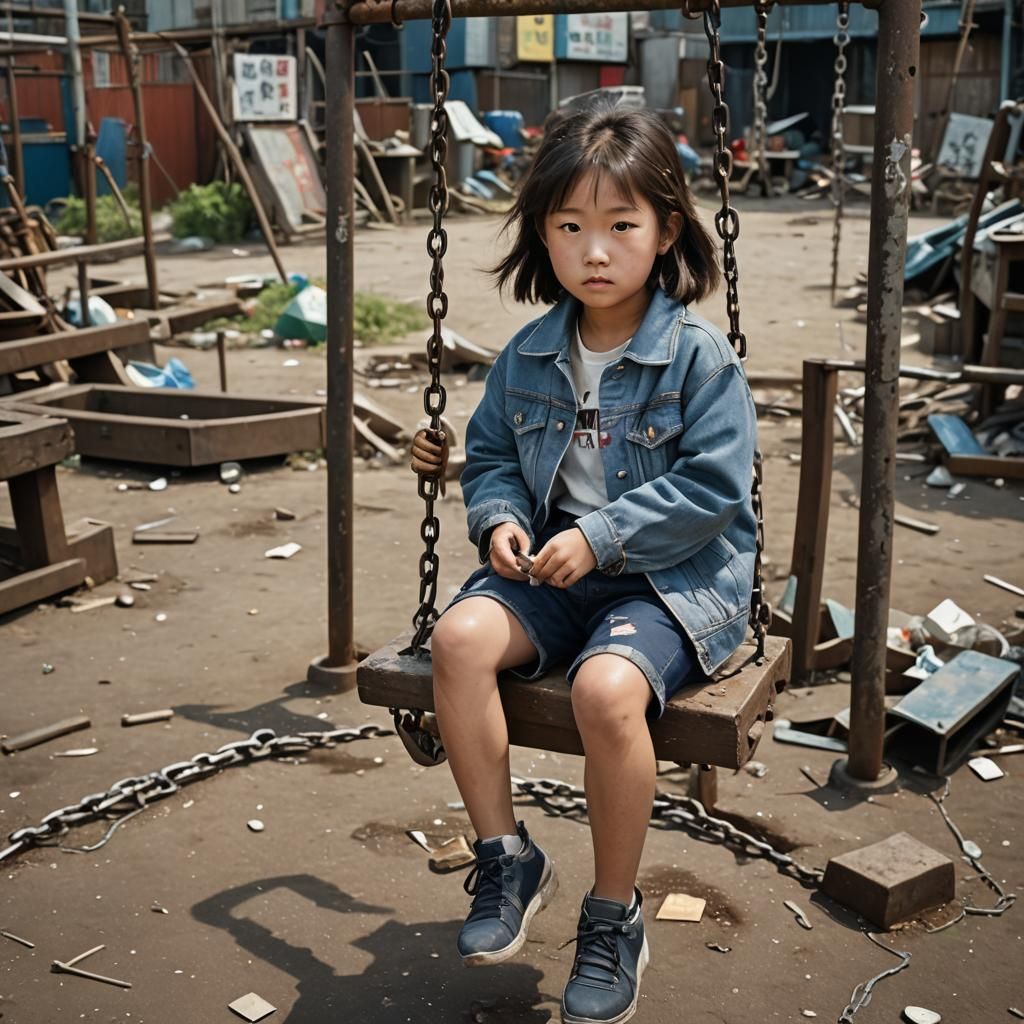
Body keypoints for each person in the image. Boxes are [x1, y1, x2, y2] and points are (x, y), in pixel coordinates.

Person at [410, 103, 758, 1024]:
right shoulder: (528, 355)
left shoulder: (698, 360)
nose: (593, 251)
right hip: (557, 572)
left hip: (673, 580)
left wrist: (602, 536)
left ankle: (613, 916)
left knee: (608, 692)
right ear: (543, 236)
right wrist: (497, 524)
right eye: (569, 227)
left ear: (665, 231)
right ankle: (507, 858)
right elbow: (490, 459)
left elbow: (714, 490)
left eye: (620, 226)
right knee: (458, 638)